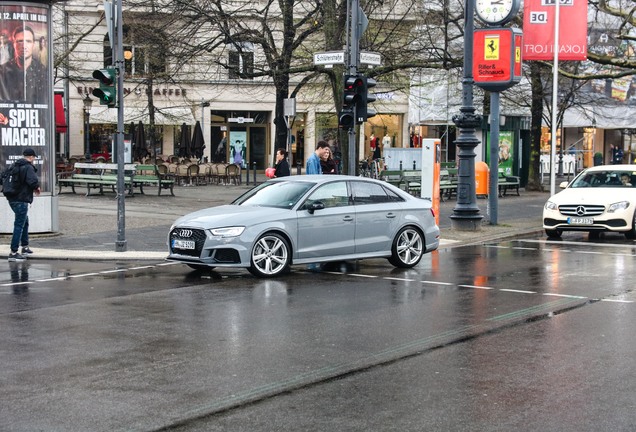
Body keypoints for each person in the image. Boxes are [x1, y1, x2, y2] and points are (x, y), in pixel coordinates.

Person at [6, 148, 41, 262]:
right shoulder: (28, 166)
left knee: (24, 221)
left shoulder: (14, 165)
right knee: (19, 225)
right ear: (31, 157)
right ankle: (13, 252)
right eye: (34, 158)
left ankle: (25, 246)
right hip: (21, 198)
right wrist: (37, 187)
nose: (34, 160)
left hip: (12, 198)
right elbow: (32, 181)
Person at [0, 26, 47, 103]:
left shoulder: (43, 71)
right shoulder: (3, 71)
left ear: (33, 44)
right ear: (14, 44)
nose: (24, 46)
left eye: (28, 41)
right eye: (20, 41)